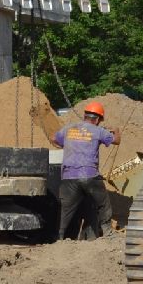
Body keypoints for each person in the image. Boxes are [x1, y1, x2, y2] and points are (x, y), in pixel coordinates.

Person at [52, 101, 120, 240]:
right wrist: (116, 131)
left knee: (66, 210)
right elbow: (117, 141)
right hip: (89, 175)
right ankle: (108, 232)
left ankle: (60, 237)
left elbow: (53, 138)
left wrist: (65, 145)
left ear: (84, 116)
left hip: (68, 175)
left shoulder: (69, 128)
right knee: (103, 204)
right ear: (98, 119)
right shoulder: (98, 130)